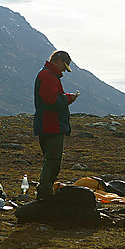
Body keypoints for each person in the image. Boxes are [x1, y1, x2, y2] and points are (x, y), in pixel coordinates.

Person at [33, 50, 79, 200]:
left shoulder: (48, 75)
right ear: (57, 60)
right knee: (52, 161)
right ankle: (45, 192)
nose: (63, 70)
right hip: (51, 126)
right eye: (63, 66)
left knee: (51, 160)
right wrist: (68, 99)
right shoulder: (47, 76)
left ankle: (45, 190)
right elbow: (51, 101)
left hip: (49, 125)